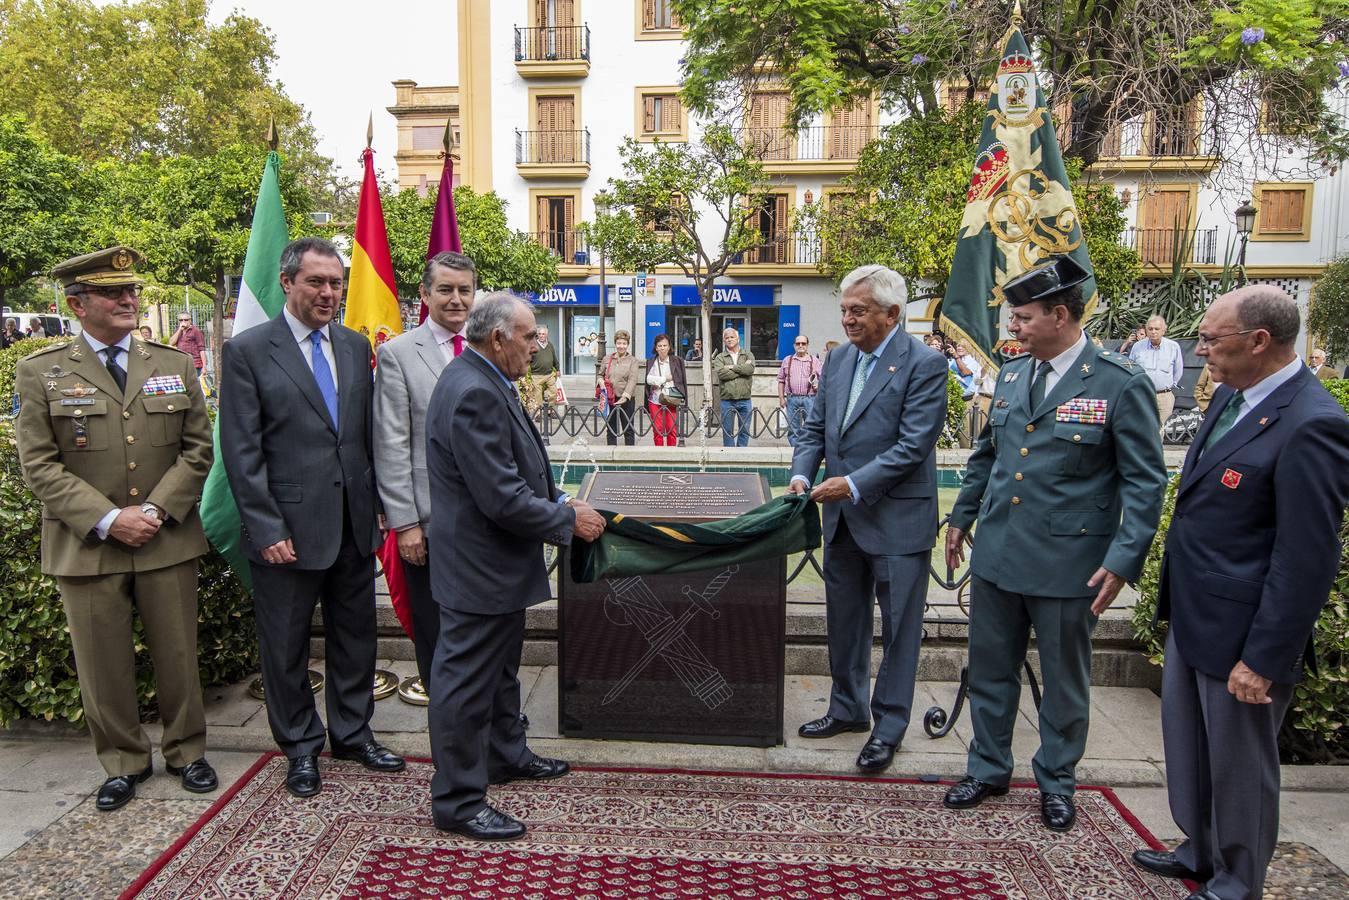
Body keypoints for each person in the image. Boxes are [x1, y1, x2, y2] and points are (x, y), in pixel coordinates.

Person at [1130, 286, 1349, 900]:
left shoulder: (1314, 423)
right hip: (1197, 616)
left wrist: (1264, 658)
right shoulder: (1231, 396)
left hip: (1245, 635)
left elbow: (1307, 556)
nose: (1200, 350)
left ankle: (1238, 878)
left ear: (1259, 341)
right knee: (1193, 752)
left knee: (1241, 768)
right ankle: (1199, 847)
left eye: (1210, 340)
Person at [942, 255, 1167, 832]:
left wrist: (1123, 559)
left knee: (1065, 680)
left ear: (1060, 314)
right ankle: (988, 767)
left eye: (1022, 317)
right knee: (991, 669)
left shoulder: (1120, 381)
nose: (1012, 327)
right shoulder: (1014, 374)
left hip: (1072, 563)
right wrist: (961, 518)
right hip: (998, 553)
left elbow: (1145, 480)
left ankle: (1057, 780)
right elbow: (988, 457)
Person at [14, 246, 216, 811]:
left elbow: (198, 448)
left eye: (131, 290)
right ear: (77, 304)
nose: (129, 300)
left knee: (179, 654)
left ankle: (187, 752)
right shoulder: (41, 371)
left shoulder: (173, 364)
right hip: (87, 544)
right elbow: (39, 464)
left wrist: (152, 512)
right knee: (102, 663)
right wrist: (108, 519)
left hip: (166, 536)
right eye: (112, 293)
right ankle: (123, 762)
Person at [220, 237, 404, 799]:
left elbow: (363, 437)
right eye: (317, 283)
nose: (329, 293)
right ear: (287, 282)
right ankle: (300, 745)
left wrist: (378, 509)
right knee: (286, 646)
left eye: (336, 284)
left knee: (356, 638)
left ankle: (352, 733)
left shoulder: (352, 345)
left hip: (352, 525)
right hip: (288, 535)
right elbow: (241, 450)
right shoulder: (250, 350)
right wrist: (267, 527)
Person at [425, 293, 605, 840]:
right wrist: (565, 519)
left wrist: (559, 503)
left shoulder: (480, 377)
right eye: (529, 335)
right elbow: (500, 496)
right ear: (498, 337)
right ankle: (458, 801)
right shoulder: (475, 390)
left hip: (493, 565)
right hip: (480, 567)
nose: (537, 343)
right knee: (463, 683)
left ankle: (505, 755)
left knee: (500, 673)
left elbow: (513, 468)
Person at [788, 264, 948, 772]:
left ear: (892, 314)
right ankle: (847, 709)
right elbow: (814, 430)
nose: (847, 319)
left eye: (858, 311)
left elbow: (912, 446)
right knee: (845, 622)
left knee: (900, 629)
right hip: (841, 520)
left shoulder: (925, 364)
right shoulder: (836, 363)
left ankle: (890, 725)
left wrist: (852, 484)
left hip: (896, 523)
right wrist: (799, 475)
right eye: (844, 310)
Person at [373, 251, 476, 693]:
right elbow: (391, 444)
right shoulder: (397, 353)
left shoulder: (487, 344)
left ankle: (489, 713)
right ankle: (447, 726)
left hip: (486, 522)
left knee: (483, 629)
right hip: (429, 526)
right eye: (446, 290)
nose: (456, 300)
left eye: (465, 290)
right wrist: (407, 524)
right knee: (436, 635)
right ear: (425, 294)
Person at [1129, 314, 1185, 438]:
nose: (1153, 332)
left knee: (1159, 431)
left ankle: (1155, 457)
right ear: (1146, 330)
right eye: (1150, 329)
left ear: (1164, 330)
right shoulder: (1137, 347)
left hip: (1164, 396)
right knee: (1141, 428)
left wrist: (1169, 384)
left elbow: (1178, 370)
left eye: (1157, 329)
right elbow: (1131, 368)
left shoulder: (1173, 347)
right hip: (1142, 394)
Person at [777, 335, 823, 447]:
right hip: (792, 398)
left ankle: (808, 450)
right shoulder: (787, 360)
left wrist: (818, 386)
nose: (800, 346)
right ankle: (795, 451)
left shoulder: (815, 361)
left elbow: (823, 380)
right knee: (793, 429)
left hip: (810, 399)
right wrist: (781, 398)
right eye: (798, 344)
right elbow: (781, 380)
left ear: (807, 345)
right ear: (794, 345)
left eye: (803, 343)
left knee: (811, 427)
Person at [714, 327, 755, 446]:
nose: (729, 339)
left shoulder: (747, 354)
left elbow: (749, 370)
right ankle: (729, 455)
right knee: (727, 431)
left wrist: (732, 367)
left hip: (745, 399)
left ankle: (741, 454)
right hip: (727, 400)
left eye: (732, 337)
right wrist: (741, 368)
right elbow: (722, 374)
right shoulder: (720, 357)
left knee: (744, 430)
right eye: (726, 338)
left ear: (738, 338)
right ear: (723, 340)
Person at [645, 333, 687, 447]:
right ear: (656, 347)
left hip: (671, 398)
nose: (662, 348)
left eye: (665, 345)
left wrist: (657, 380)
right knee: (657, 429)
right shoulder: (651, 361)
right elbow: (648, 379)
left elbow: (682, 380)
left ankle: (671, 454)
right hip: (655, 399)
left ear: (669, 347)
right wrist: (664, 379)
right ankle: (659, 454)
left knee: (671, 429)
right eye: (659, 346)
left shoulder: (677, 361)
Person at [600, 330, 639, 445]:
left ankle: (630, 457)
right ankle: (610, 453)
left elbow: (633, 379)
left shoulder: (633, 360)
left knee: (628, 429)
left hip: (626, 399)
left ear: (627, 345)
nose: (621, 346)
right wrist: (600, 381)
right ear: (615, 343)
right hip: (610, 398)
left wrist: (625, 396)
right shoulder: (607, 359)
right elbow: (600, 374)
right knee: (611, 428)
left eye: (624, 343)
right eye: (619, 343)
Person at [528, 324, 560, 410]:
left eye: (543, 334)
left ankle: (550, 410)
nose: (541, 335)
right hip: (536, 375)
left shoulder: (550, 345)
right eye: (540, 334)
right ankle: (539, 413)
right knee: (537, 395)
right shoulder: (533, 345)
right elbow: (528, 358)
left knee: (554, 392)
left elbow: (554, 358)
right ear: (537, 335)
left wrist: (557, 369)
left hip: (549, 374)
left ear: (546, 335)